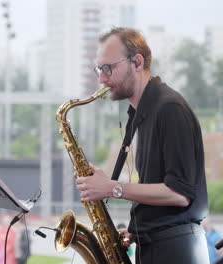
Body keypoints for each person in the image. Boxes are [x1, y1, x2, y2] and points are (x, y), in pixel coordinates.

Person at [75, 27, 209, 264]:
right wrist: (140, 228)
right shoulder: (143, 112)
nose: (102, 78)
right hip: (159, 246)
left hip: (176, 251)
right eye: (99, 69)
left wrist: (112, 188)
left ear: (137, 62)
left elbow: (179, 193)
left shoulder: (169, 108)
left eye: (108, 68)